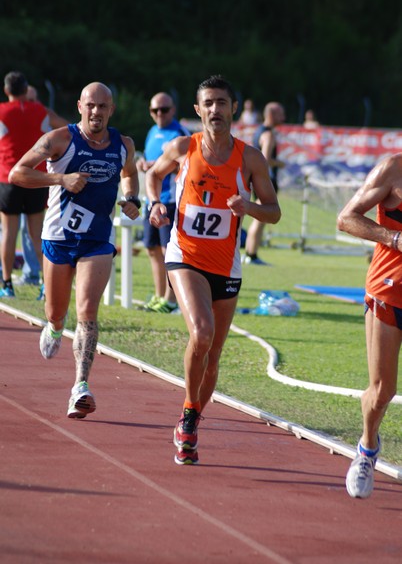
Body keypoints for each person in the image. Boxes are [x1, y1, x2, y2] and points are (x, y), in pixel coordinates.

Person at [146, 75, 281, 464]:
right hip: (185, 254)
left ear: (233, 108)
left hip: (226, 263)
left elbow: (273, 211)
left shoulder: (250, 158)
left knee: (214, 354)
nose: (216, 110)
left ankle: (192, 423)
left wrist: (249, 208)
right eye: (209, 103)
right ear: (197, 110)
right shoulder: (182, 147)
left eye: (222, 103)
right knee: (201, 333)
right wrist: (156, 204)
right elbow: (153, 176)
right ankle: (188, 415)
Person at [9, 81, 141, 418]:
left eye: (103, 106)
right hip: (58, 238)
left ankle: (80, 386)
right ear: (80, 106)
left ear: (112, 110)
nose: (96, 112)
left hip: (97, 240)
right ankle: (53, 325)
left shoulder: (123, 145)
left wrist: (130, 198)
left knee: (87, 311)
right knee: (56, 311)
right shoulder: (59, 140)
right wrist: (60, 180)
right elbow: (17, 173)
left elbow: (129, 174)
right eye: (91, 106)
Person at [337, 153, 402, 498]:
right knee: (382, 391)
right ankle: (366, 446)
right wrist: (394, 239)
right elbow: (346, 219)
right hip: (389, 292)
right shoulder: (393, 169)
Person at [136, 92, 190, 313]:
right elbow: (152, 164)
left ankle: (171, 300)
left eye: (164, 110)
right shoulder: (152, 132)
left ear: (173, 109)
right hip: (153, 199)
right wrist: (144, 165)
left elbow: (188, 165)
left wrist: (159, 165)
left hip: (171, 200)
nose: (159, 114)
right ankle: (159, 296)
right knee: (151, 248)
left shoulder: (180, 133)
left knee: (169, 251)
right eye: (155, 110)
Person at [0, 71, 50, 298]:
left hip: (8, 178)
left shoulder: (2, 112)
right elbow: (64, 128)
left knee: (9, 233)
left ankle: (7, 284)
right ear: (26, 89)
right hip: (35, 178)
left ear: (6, 90)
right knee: (37, 234)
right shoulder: (40, 110)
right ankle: (45, 284)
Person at [16, 84, 69, 289]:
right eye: (26, 100)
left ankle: (42, 279)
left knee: (37, 231)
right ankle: (29, 274)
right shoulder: (15, 115)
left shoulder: (44, 114)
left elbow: (70, 131)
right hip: (16, 177)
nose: (28, 105)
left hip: (39, 179)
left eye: (32, 100)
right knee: (19, 231)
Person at [243, 101, 286, 265]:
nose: (284, 117)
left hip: (257, 179)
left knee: (259, 217)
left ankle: (250, 253)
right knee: (260, 219)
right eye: (281, 113)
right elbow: (265, 159)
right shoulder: (268, 135)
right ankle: (251, 254)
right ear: (271, 115)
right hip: (266, 181)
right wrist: (279, 163)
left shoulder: (259, 131)